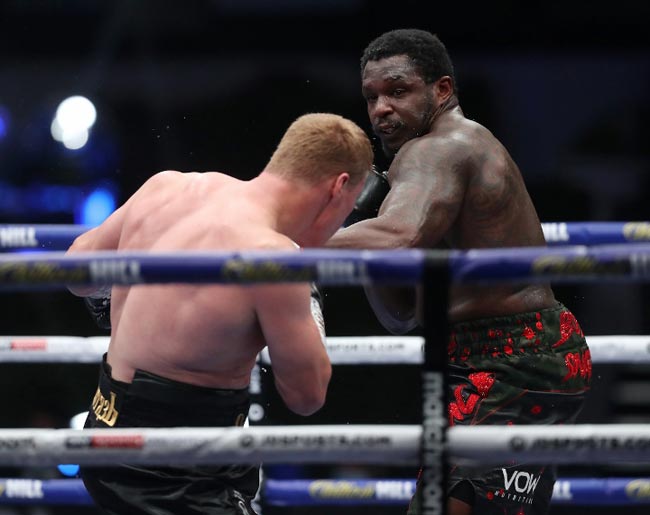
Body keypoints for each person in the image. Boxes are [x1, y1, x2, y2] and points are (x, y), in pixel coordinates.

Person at [326, 29, 591, 515]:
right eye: (371, 97)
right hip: (494, 358)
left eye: (398, 91)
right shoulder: (436, 161)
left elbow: (400, 235)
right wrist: (362, 225)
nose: (381, 109)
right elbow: (401, 316)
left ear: (442, 89)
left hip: (514, 360)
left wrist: (291, 243)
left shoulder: (440, 148)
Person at [66, 112, 373, 515]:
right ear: (339, 188)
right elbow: (307, 396)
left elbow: (77, 273)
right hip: (175, 472)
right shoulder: (273, 258)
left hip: (105, 429)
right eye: (350, 208)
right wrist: (309, 292)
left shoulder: (170, 186)